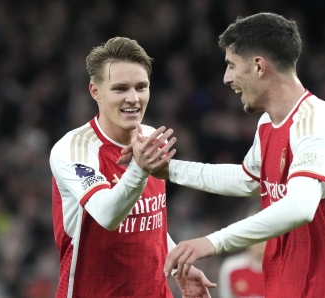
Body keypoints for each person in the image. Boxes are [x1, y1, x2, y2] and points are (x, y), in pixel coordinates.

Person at [123, 12, 325, 297]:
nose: (226, 78)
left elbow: (301, 206)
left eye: (231, 66)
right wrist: (168, 169)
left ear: (259, 66)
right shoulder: (269, 124)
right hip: (294, 285)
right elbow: (249, 180)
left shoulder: (317, 123)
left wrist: (213, 242)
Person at [49, 37, 215, 298]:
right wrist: (138, 168)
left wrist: (177, 265)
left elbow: (150, 218)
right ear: (95, 91)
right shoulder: (74, 149)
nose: (133, 98)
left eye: (141, 87)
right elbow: (107, 215)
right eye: (120, 89)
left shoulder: (150, 138)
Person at [218, 205, 266, 298]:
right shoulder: (231, 268)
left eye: (264, 233)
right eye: (253, 232)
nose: (259, 240)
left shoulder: (286, 272)